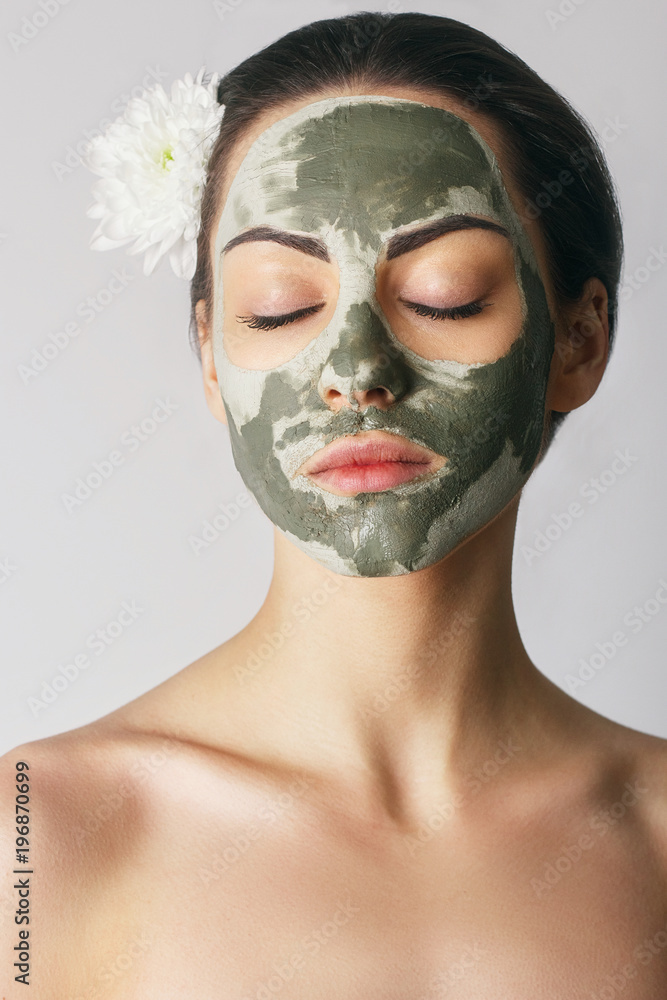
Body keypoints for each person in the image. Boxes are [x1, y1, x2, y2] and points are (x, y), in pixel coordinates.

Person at [2, 12, 666, 999]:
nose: (355, 372)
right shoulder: (35, 834)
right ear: (212, 359)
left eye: (444, 294)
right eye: (280, 304)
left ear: (578, 339)